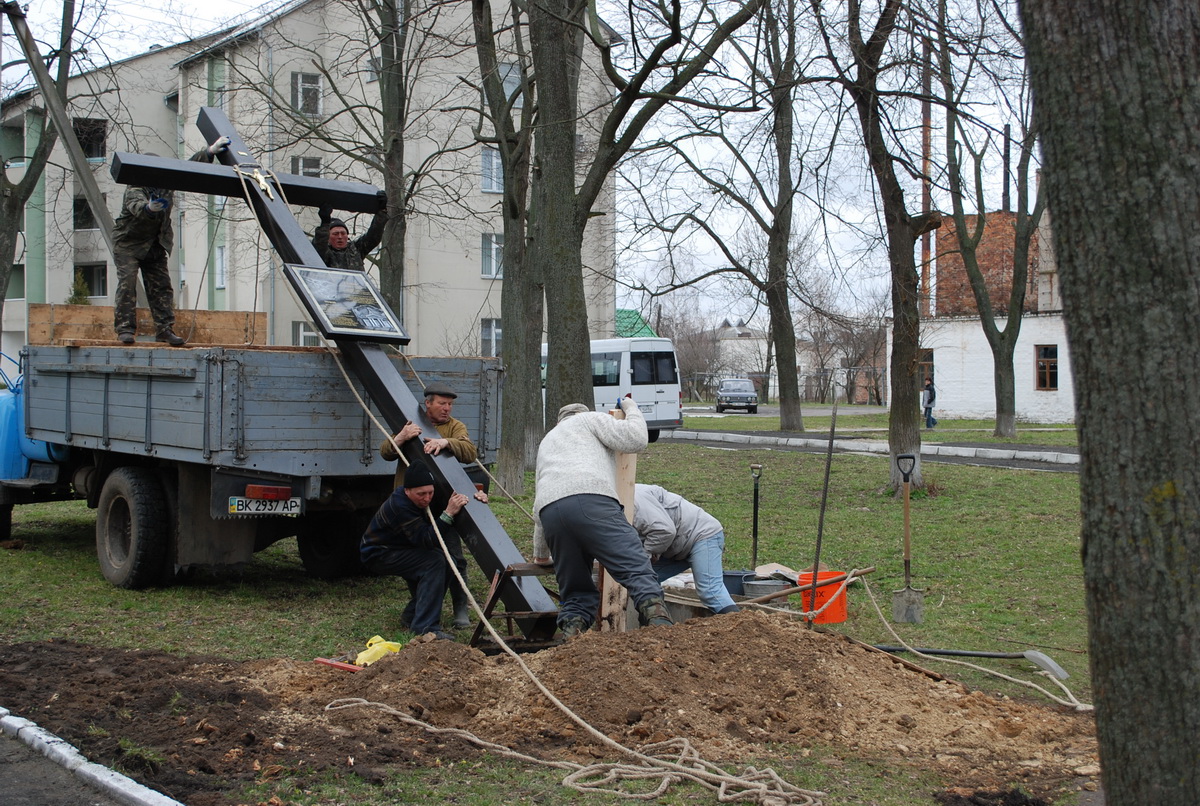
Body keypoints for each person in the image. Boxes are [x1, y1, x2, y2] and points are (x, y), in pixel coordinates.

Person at [531, 398, 673, 638]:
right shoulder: (590, 419)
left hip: (551, 513)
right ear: (582, 413)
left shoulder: (547, 441)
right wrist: (631, 407)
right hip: (591, 500)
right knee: (636, 568)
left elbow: (540, 498)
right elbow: (637, 439)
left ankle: (570, 638)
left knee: (575, 594)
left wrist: (541, 554)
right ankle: (660, 626)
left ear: (559, 420)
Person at [380, 381, 484, 629]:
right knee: (414, 557)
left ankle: (461, 608)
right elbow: (386, 452)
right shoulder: (410, 422)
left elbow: (470, 451)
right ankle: (420, 607)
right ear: (428, 403)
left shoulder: (454, 426)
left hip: (443, 505)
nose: (447, 408)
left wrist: (446, 443)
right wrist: (401, 437)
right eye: (442, 403)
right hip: (412, 507)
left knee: (454, 558)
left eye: (450, 404)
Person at [112, 135, 231, 345]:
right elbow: (135, 204)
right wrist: (148, 208)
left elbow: (187, 169)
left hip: (156, 244)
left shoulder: (166, 182)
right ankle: (125, 329)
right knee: (127, 283)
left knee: (162, 287)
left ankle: (164, 330)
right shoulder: (136, 187)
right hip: (129, 244)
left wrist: (210, 151)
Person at [360, 461, 470, 641]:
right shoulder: (400, 506)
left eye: (430, 493)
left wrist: (476, 496)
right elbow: (426, 540)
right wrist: (448, 513)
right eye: (421, 494)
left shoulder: (419, 499)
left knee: (450, 562)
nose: (427, 498)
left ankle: (412, 615)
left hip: (403, 547)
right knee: (435, 562)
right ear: (407, 490)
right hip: (379, 553)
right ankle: (425, 627)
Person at [632, 484, 740, 615]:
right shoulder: (619, 499)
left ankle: (743, 626)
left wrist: (647, 553)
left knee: (710, 591)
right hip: (675, 545)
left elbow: (664, 530)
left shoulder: (635, 499)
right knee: (640, 580)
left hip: (701, 535)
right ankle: (656, 623)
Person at [313, 200, 388, 271]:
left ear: (347, 236)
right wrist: (325, 223)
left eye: (343, 233)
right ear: (328, 237)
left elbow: (373, 236)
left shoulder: (356, 249)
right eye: (335, 234)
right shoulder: (325, 253)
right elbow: (320, 245)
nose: (340, 237)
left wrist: (381, 211)